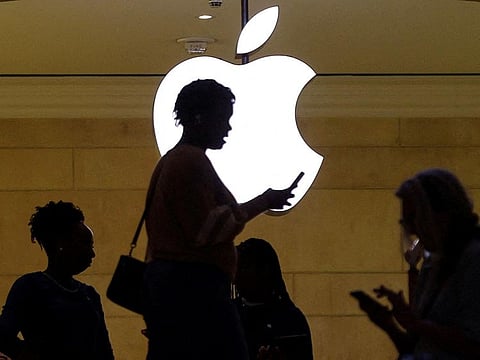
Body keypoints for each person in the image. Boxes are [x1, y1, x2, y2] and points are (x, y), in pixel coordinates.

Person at [143, 79, 302, 360]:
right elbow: (207, 230)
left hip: (177, 291)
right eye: (222, 119)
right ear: (200, 118)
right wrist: (264, 201)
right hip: (196, 292)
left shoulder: (172, 161)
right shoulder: (189, 162)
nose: (227, 129)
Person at [351, 168, 480, 359]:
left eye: (414, 218)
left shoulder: (473, 259)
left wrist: (415, 324)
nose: (411, 230)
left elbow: (473, 344)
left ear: (441, 215)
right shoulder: (432, 264)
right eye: (407, 222)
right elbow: (418, 348)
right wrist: (388, 324)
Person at [0, 201, 114, 360]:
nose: (92, 253)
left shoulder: (90, 294)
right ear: (61, 243)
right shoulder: (30, 287)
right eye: (86, 244)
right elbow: (3, 335)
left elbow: (104, 352)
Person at [234, 238, 313, 360]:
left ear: (265, 271)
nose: (237, 274)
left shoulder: (291, 319)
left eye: (244, 267)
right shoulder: (229, 315)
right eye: (236, 267)